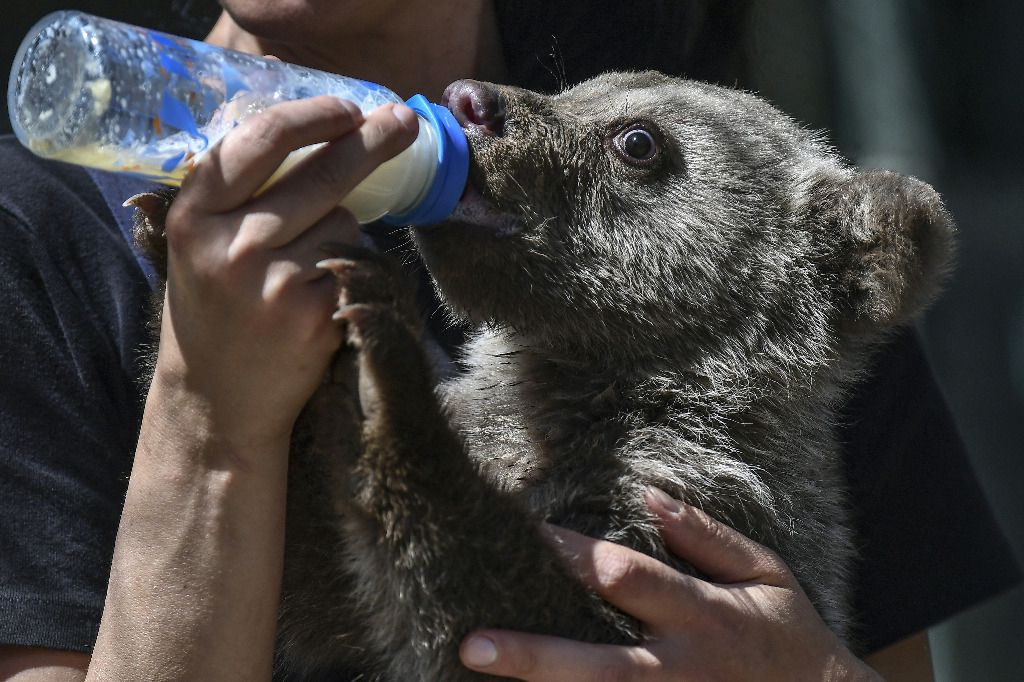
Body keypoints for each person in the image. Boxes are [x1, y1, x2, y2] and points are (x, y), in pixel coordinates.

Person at [0, 1, 1018, 680]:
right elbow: (362, 595)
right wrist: (211, 417)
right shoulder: (37, 244)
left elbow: (511, 623)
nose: (478, 113)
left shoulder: (787, 281)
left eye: (633, 150)